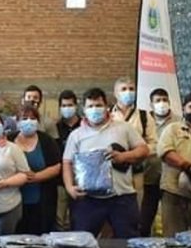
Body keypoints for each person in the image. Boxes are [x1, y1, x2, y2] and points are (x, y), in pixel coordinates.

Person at [63, 87, 149, 238]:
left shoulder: (123, 128)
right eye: (90, 106)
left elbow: (143, 150)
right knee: (81, 242)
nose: (94, 109)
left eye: (98, 105)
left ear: (106, 106)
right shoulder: (76, 135)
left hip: (122, 197)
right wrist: (69, 187)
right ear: (84, 110)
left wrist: (124, 156)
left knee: (128, 242)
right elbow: (67, 162)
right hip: (88, 199)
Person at [158, 92, 191, 236]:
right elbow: (165, 151)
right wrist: (188, 166)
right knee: (173, 236)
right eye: (190, 107)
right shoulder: (172, 129)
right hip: (173, 191)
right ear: (184, 109)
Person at [110, 77, 157, 207]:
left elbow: (154, 143)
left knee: (135, 207)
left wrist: (136, 154)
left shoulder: (144, 116)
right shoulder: (108, 116)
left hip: (137, 170)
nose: (128, 92)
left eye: (131, 89)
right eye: (123, 89)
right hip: (113, 173)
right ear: (115, 93)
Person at [14, 105, 61, 234]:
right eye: (24, 118)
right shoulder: (8, 139)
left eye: (33, 118)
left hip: (42, 201)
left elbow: (57, 166)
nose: (29, 121)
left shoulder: (47, 140)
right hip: (13, 201)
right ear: (17, 121)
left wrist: (35, 177)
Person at [140, 88, 180, 236]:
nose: (162, 103)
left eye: (164, 100)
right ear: (151, 104)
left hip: (171, 180)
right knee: (144, 220)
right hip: (149, 178)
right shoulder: (145, 121)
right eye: (158, 101)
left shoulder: (179, 122)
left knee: (171, 222)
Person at [55, 90, 81, 230]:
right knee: (60, 219)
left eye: (70, 105)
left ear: (76, 106)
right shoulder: (56, 127)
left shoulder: (85, 125)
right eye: (64, 105)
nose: (67, 108)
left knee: (79, 217)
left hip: (81, 178)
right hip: (60, 180)